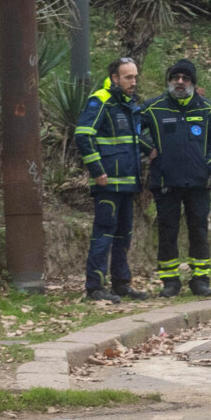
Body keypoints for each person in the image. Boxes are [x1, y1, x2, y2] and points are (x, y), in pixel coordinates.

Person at [142, 59, 211, 295]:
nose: (180, 82)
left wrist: (207, 165)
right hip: (165, 182)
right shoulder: (153, 107)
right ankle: (170, 281)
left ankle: (200, 279)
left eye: (185, 78)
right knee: (168, 230)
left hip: (198, 183)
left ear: (192, 83)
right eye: (175, 78)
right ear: (169, 81)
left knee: (198, 229)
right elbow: (131, 129)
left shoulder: (206, 108)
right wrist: (147, 148)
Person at [74, 57, 148, 302]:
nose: (133, 82)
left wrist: (151, 150)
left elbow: (133, 139)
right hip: (108, 182)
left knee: (123, 235)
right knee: (104, 233)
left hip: (127, 181)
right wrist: (97, 171)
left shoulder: (128, 104)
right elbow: (84, 135)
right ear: (114, 78)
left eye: (135, 77)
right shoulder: (100, 100)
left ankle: (121, 283)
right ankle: (95, 287)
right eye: (128, 77)